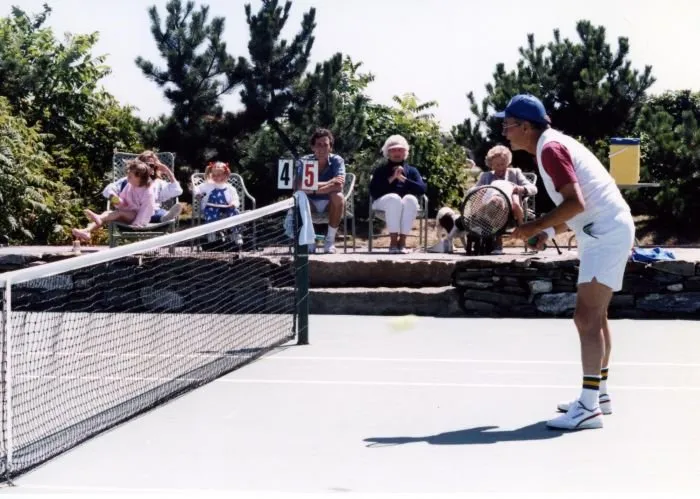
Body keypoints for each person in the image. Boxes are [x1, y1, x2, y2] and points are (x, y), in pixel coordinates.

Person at [497, 94, 635, 430]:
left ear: (526, 126)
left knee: (586, 317)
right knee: (596, 317)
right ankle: (598, 395)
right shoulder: (551, 146)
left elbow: (575, 202)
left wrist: (534, 226)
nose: (504, 131)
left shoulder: (550, 149)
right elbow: (578, 208)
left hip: (606, 234)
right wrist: (549, 233)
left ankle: (588, 407)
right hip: (602, 231)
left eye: (508, 124)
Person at [432, 145, 537, 254]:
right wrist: (479, 191)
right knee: (490, 204)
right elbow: (472, 190)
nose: (500, 168)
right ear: (491, 165)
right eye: (497, 165)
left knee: (496, 205)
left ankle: (495, 242)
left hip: (512, 211)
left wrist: (521, 189)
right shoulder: (486, 176)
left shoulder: (515, 173)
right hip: (488, 211)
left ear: (508, 162)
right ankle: (488, 241)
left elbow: (533, 189)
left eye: (503, 164)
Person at [369, 135, 427, 253]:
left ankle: (402, 242)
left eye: (400, 150)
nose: (397, 153)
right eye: (393, 150)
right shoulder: (380, 170)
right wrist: (392, 178)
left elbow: (422, 189)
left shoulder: (412, 171)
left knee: (410, 199)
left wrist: (404, 179)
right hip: (382, 205)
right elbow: (373, 191)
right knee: (394, 198)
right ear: (387, 153)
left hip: (405, 208)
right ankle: (393, 242)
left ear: (405, 152)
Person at [72, 160, 155, 241]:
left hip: (136, 217)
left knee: (117, 213)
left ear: (139, 177)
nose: (127, 178)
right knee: (107, 214)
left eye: (130, 176)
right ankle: (87, 231)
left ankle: (98, 220)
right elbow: (120, 199)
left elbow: (146, 210)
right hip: (126, 212)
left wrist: (138, 224)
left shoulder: (148, 192)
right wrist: (117, 200)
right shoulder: (130, 184)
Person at [296, 128, 346, 254]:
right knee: (301, 196)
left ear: (330, 147)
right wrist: (330, 182)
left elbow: (339, 186)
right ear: (313, 147)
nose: (322, 148)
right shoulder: (303, 161)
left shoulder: (337, 160)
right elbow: (300, 187)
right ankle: (310, 240)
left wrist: (312, 189)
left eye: (326, 145)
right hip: (310, 202)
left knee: (338, 196)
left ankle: (329, 241)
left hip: (329, 203)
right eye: (318, 145)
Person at [103, 150, 183, 224]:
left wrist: (167, 171)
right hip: (130, 212)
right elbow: (108, 190)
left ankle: (164, 217)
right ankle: (162, 218)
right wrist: (116, 200)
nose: (150, 167)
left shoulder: (158, 183)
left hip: (151, 212)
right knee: (126, 213)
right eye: (146, 164)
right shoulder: (129, 179)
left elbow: (177, 191)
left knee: (159, 212)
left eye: (152, 165)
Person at [193, 161, 243, 245]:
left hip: (226, 207)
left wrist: (233, 204)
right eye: (214, 175)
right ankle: (211, 232)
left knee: (234, 212)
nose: (216, 177)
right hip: (211, 206)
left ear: (226, 175)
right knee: (210, 213)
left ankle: (236, 233)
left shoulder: (230, 188)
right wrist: (198, 194)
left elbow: (235, 199)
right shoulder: (208, 185)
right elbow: (196, 188)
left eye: (219, 175)